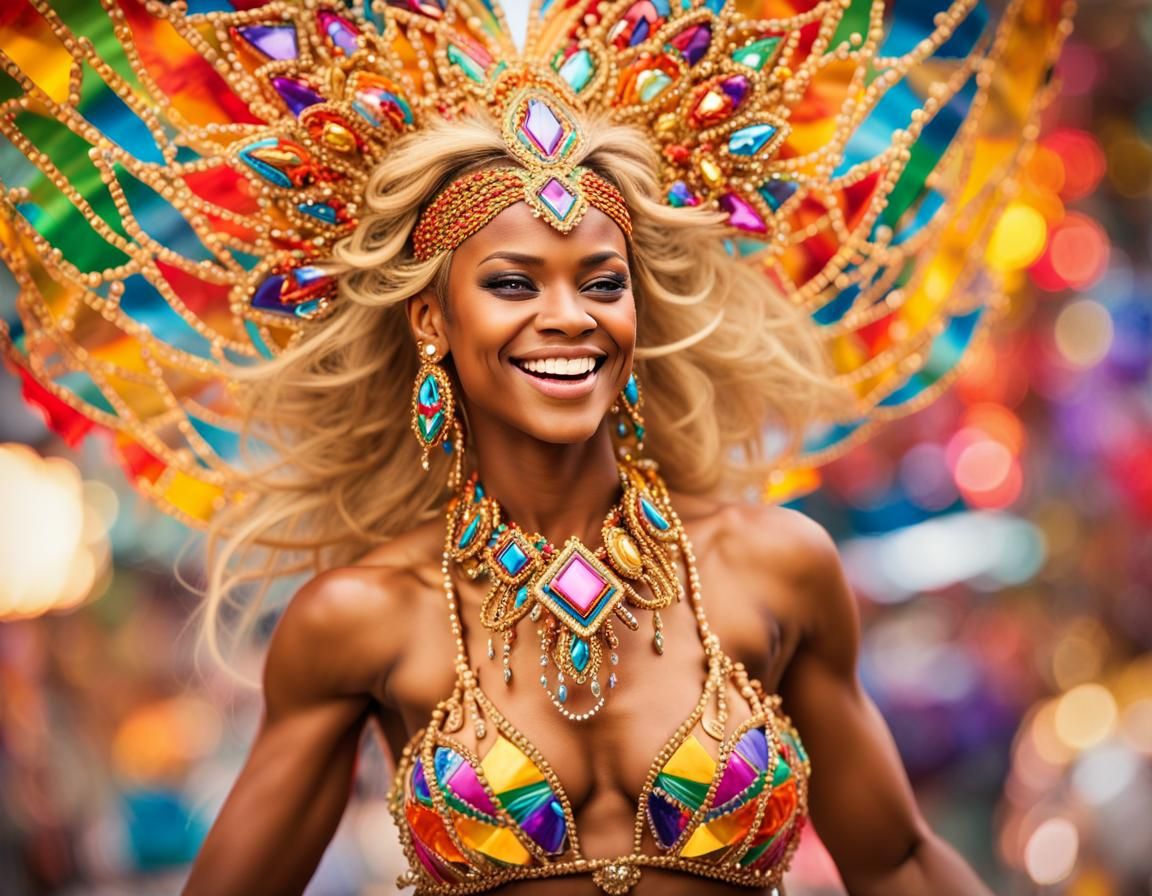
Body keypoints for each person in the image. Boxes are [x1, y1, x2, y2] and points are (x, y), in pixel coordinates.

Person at [0, 1, 1069, 894]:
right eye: (513, 283)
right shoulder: (361, 621)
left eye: (601, 282)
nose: (568, 316)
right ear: (433, 321)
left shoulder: (774, 567)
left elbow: (899, 861)